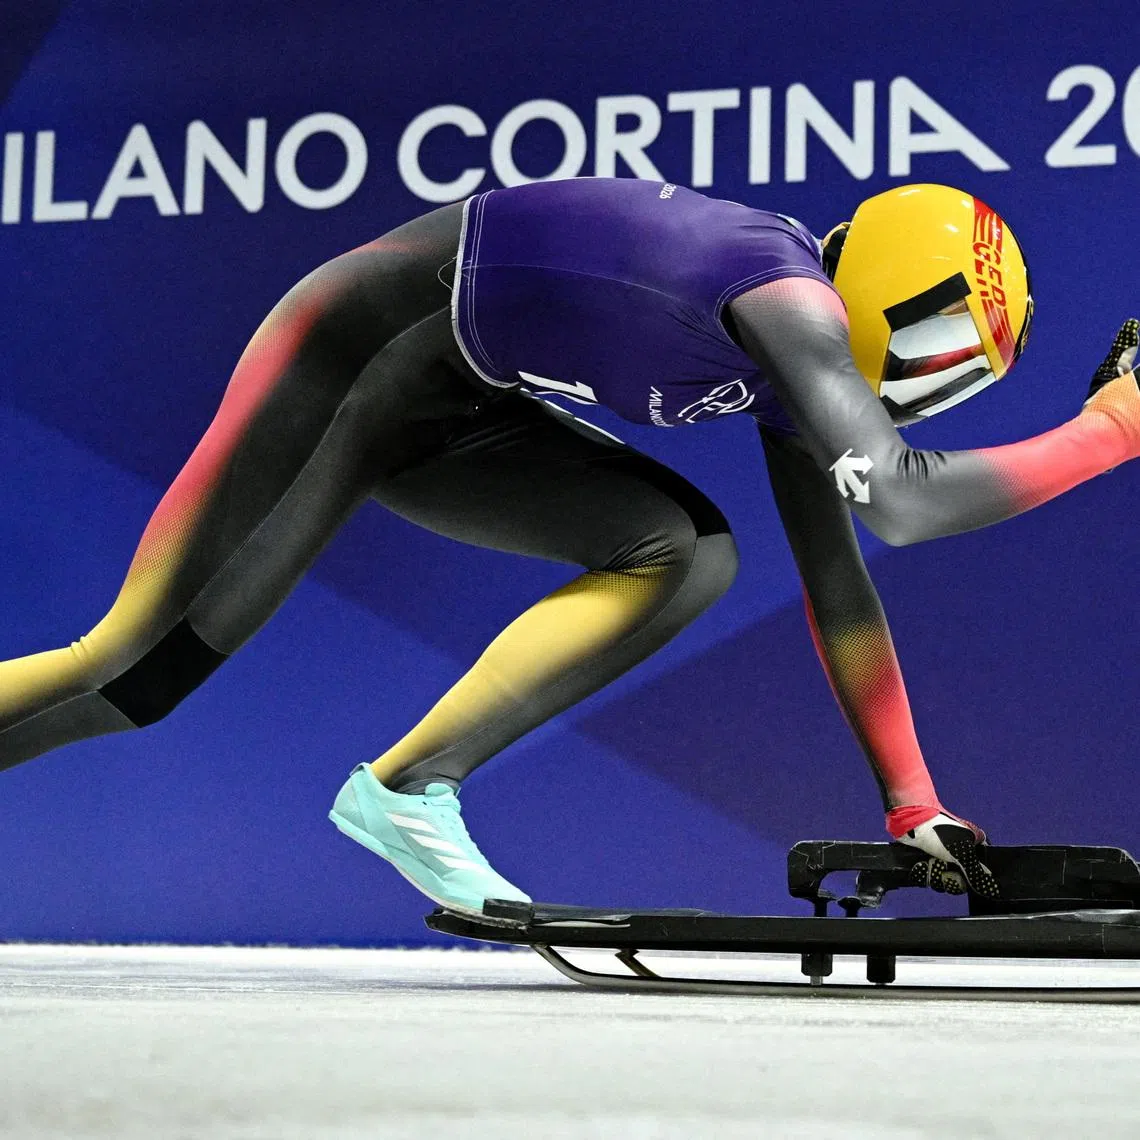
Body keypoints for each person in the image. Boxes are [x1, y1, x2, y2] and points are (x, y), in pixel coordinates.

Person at [2, 177, 1137, 916]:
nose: (926, 391)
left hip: (457, 407)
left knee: (687, 554)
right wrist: (1113, 428)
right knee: (130, 673)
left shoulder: (793, 357)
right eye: (945, 362)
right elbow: (906, 502)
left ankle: (407, 790)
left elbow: (843, 588)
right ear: (901, 304)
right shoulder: (784, 296)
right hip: (352, 359)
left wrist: (910, 803)